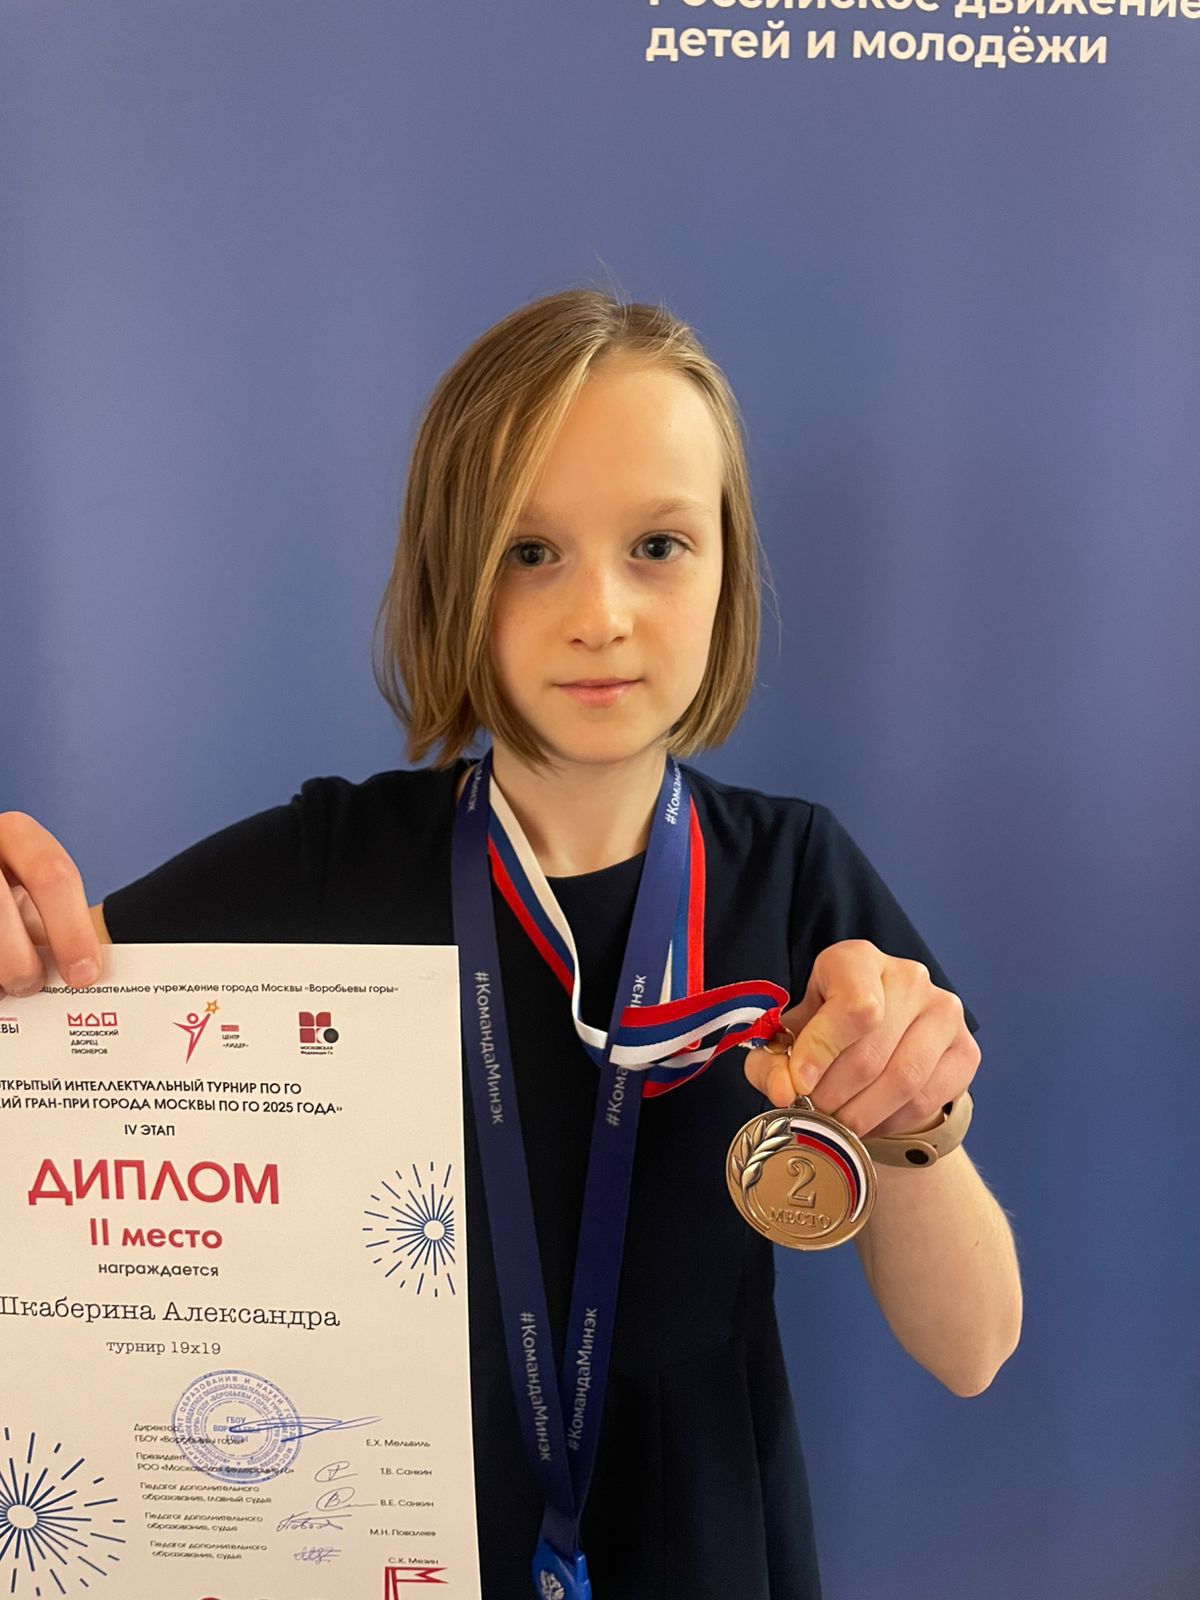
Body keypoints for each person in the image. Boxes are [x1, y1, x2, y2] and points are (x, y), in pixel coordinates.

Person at [0, 287, 1022, 1599]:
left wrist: (915, 1122)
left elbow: (973, 1348)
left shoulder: (793, 882)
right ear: (451, 572)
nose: (600, 612)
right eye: (529, 551)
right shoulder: (328, 867)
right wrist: (18, 935)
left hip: (707, 1549)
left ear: (725, 567)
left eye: (658, 545)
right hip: (375, 1546)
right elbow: (50, 994)